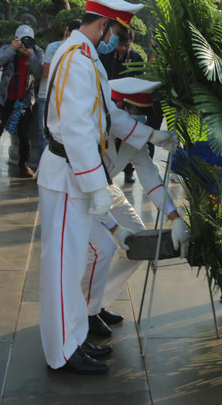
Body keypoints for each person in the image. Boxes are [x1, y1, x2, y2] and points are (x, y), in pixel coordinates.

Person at [37, 0, 174, 374]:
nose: (116, 39)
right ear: (103, 25)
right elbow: (78, 129)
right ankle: (62, 353)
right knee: (64, 269)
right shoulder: (77, 60)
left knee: (74, 262)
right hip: (67, 176)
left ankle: (76, 337)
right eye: (116, 31)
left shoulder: (84, 56)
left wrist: (150, 137)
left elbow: (110, 115)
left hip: (72, 174)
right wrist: (97, 186)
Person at [83, 77, 187, 335]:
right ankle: (83, 311)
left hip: (107, 191)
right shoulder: (93, 128)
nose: (139, 121)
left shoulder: (134, 137)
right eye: (134, 113)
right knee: (102, 249)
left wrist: (175, 218)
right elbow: (85, 181)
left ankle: (97, 301)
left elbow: (150, 177)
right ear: (117, 107)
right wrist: (112, 227)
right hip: (81, 193)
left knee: (137, 242)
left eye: (143, 115)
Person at [0, 24, 44, 179]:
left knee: (24, 135)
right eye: (21, 39)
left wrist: (30, 55)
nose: (24, 43)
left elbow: (39, 73)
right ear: (15, 38)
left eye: (28, 39)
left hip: (24, 100)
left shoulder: (37, 51)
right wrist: (11, 50)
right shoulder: (7, 48)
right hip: (4, 99)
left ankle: (23, 166)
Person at [98, 30, 145, 184]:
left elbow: (139, 86)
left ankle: (128, 170)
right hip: (108, 101)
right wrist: (111, 100)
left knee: (129, 135)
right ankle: (105, 168)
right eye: (120, 44)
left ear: (131, 42)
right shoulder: (105, 56)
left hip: (128, 102)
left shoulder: (137, 59)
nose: (123, 48)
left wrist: (124, 102)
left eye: (126, 45)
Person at [38, 20, 82, 157]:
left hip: (67, 100)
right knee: (45, 134)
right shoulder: (54, 47)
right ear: (69, 33)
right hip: (47, 97)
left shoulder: (83, 51)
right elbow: (46, 73)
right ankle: (42, 171)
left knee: (65, 137)